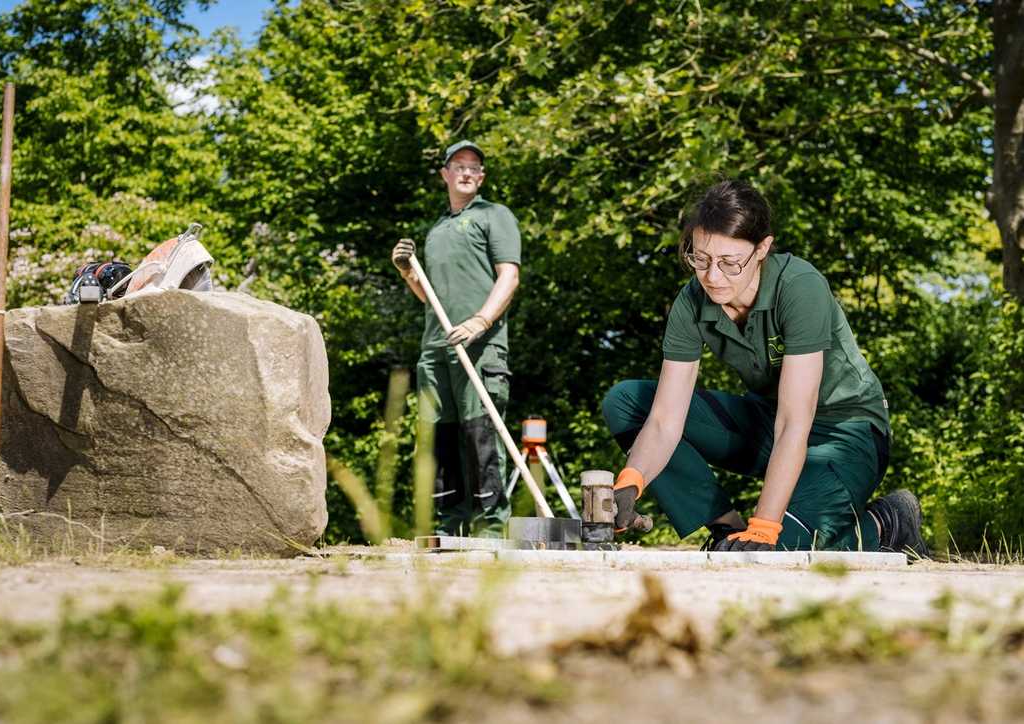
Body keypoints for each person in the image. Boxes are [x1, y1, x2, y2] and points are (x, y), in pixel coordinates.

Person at [602, 179, 927, 555]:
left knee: (777, 548)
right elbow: (663, 420)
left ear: (762, 249)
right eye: (700, 259)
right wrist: (630, 483)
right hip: (768, 425)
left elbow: (795, 422)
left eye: (729, 263)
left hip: (844, 432)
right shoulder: (691, 302)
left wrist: (766, 527)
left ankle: (887, 523)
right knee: (627, 401)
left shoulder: (800, 287)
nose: (712, 277)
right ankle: (726, 527)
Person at [391, 140, 521, 537]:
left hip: (481, 345)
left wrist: (481, 321)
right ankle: (451, 523)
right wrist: (407, 273)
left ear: (481, 177)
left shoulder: (493, 216)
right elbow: (431, 297)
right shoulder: (436, 231)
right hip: (436, 347)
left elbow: (509, 275)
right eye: (458, 165)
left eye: (474, 167)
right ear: (445, 175)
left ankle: (492, 526)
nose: (466, 172)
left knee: (479, 431)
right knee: (440, 436)